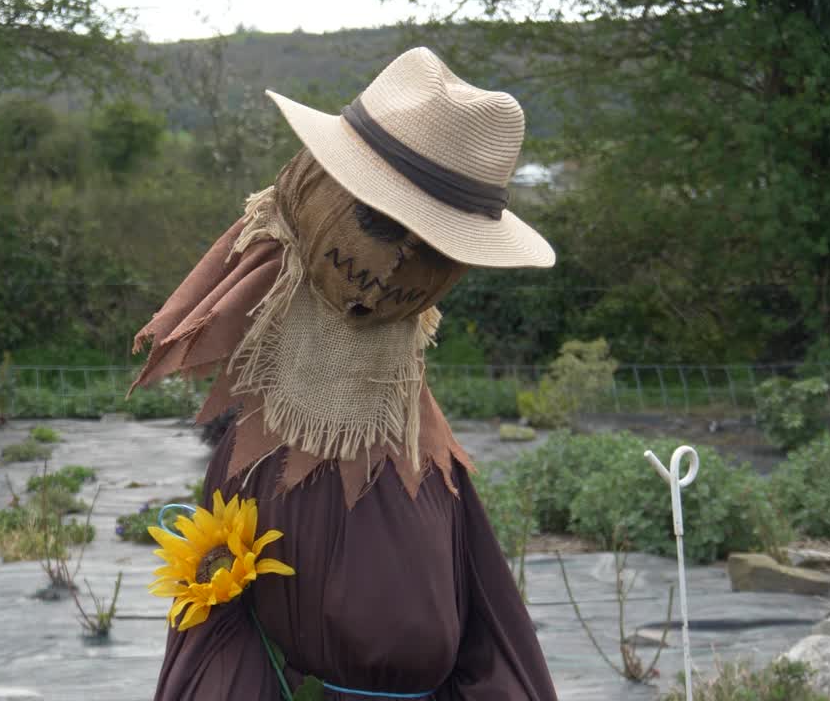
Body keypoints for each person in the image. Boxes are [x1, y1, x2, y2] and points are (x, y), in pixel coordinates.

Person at [132, 47, 558, 701]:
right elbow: (221, 636)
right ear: (315, 191)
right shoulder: (261, 447)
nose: (393, 272)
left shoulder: (425, 456)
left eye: (436, 252)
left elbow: (488, 632)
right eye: (380, 225)